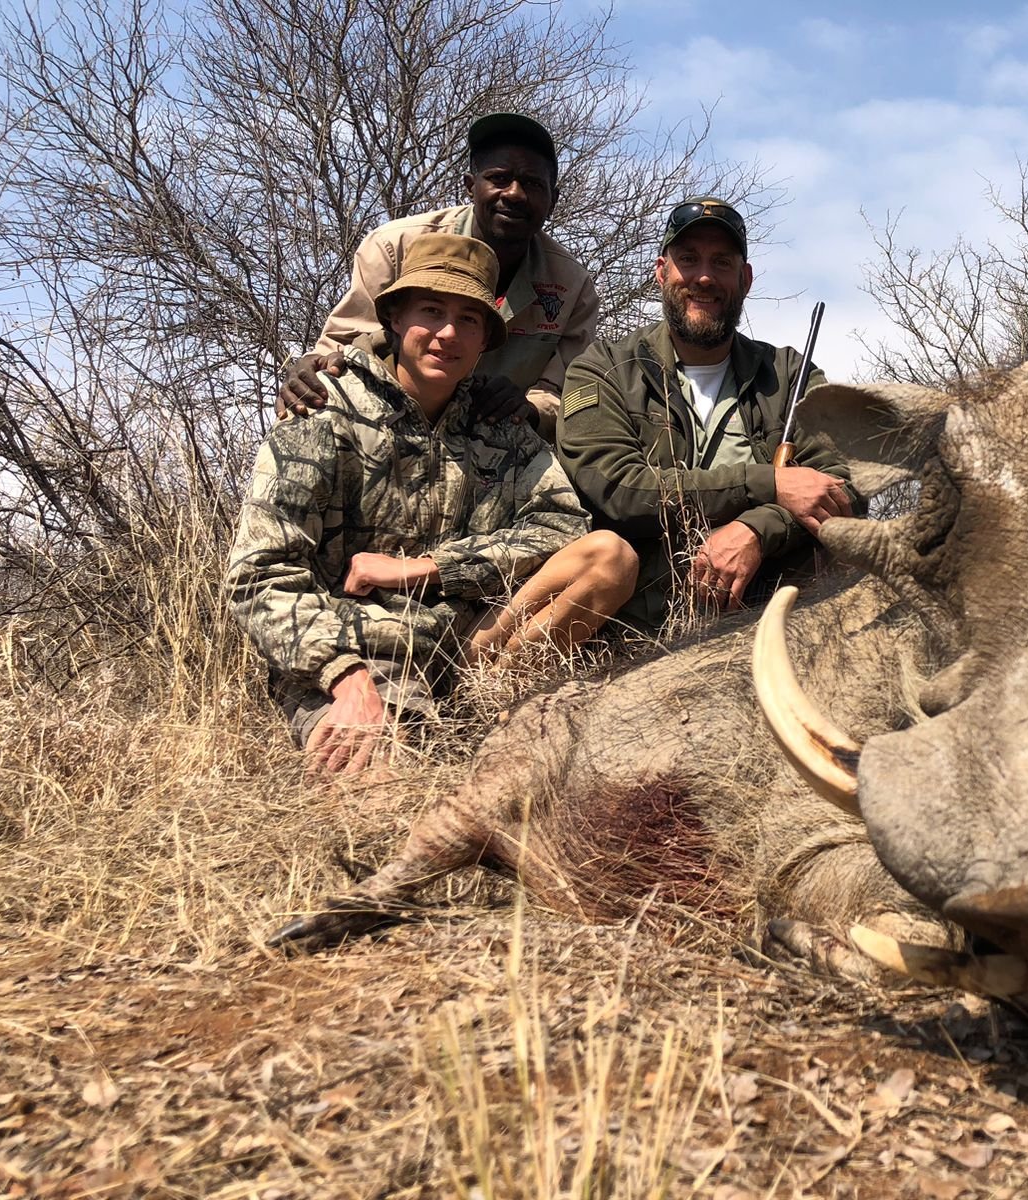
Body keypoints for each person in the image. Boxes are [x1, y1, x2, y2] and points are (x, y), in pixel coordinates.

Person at [229, 232, 637, 778]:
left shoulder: (497, 424)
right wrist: (345, 677)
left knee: (609, 556)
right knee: (385, 803)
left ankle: (482, 708)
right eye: (431, 311)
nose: (449, 334)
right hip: (358, 655)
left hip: (467, 646)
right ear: (394, 317)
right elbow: (258, 577)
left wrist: (430, 570)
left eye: (470, 319)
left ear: (486, 337)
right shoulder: (324, 410)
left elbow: (562, 522)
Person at [556, 197, 859, 630]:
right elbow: (618, 489)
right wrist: (769, 483)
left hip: (770, 617)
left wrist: (757, 529)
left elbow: (845, 486)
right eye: (688, 259)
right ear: (661, 272)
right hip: (634, 628)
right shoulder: (602, 369)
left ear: (745, 278)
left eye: (721, 262)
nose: (704, 276)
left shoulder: (791, 373)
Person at [277, 112, 596, 435]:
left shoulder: (571, 286)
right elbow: (342, 346)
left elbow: (565, 391)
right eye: (499, 178)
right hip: (381, 431)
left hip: (495, 445)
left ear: (552, 201)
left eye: (532, 183)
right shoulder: (395, 247)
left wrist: (529, 408)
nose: (514, 193)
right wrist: (311, 370)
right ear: (471, 187)